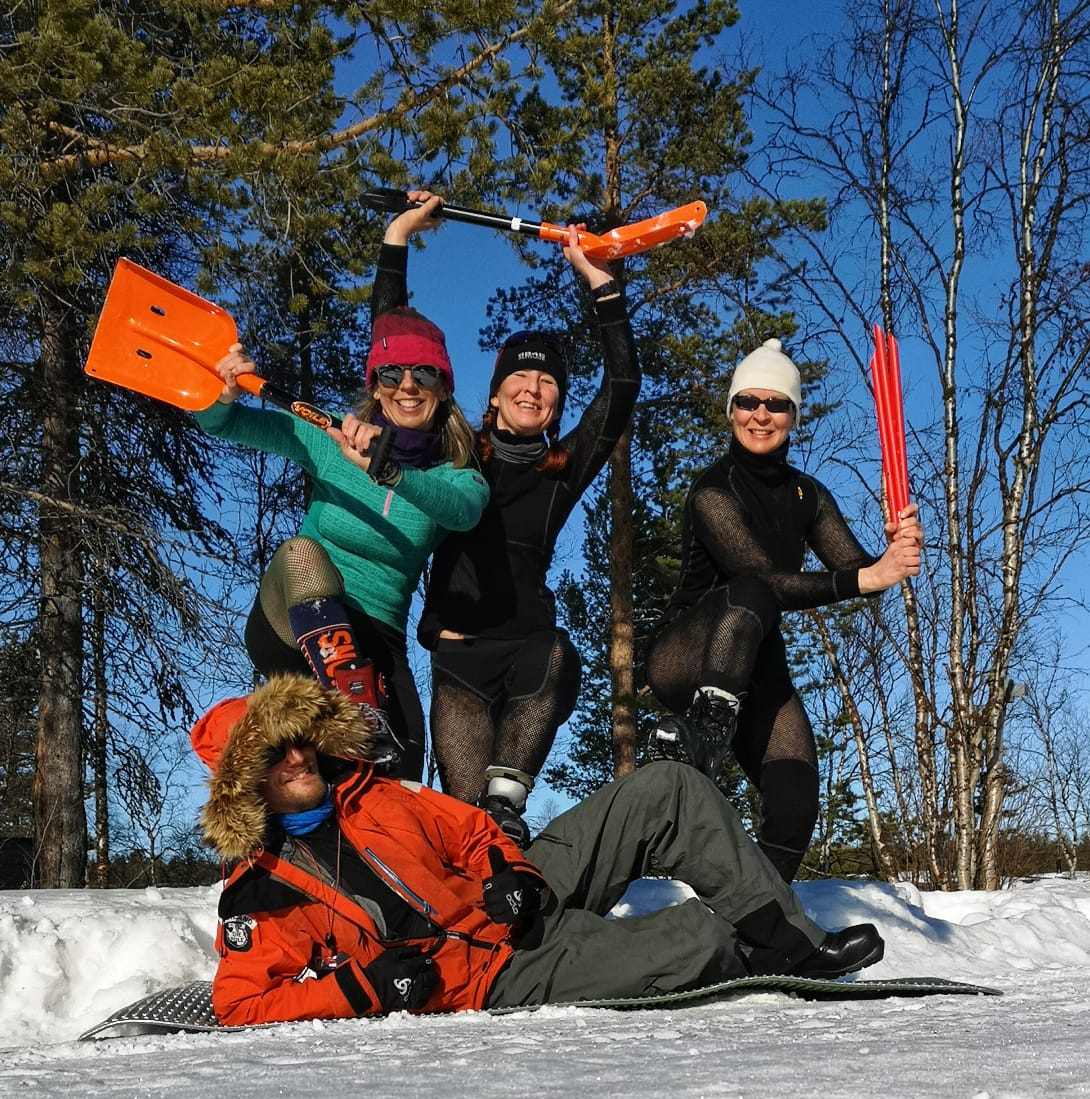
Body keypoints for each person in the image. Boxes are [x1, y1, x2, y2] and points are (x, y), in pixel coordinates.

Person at [191, 674, 886, 1026]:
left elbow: (470, 830)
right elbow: (241, 1004)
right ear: (246, 785)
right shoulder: (262, 887)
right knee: (697, 939)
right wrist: (362, 989)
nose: (293, 757)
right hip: (485, 976)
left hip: (517, 900)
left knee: (664, 787)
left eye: (294, 737)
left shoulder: (371, 789)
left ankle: (789, 945)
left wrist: (509, 870)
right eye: (268, 755)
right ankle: (734, 948)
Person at [368, 192, 641, 843]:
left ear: (555, 404)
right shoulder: (454, 452)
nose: (534, 387)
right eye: (521, 377)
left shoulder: (562, 470)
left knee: (501, 805)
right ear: (493, 395)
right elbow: (394, 346)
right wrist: (399, 234)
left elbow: (622, 386)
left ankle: (511, 802)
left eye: (548, 383)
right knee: (464, 824)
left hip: (530, 651)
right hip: (459, 655)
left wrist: (600, 282)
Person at [193, 204, 488, 779]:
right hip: (292, 623)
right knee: (303, 554)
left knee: (400, 781)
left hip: (375, 642)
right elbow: (222, 425)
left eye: (424, 376)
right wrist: (225, 391)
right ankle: (348, 704)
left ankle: (358, 705)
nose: (407, 386)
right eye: (391, 374)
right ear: (374, 388)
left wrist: (391, 470)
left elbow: (465, 510)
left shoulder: (456, 473)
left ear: (444, 390)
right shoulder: (328, 434)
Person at [645, 338, 924, 884]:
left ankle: (757, 920)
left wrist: (891, 552)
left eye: (776, 404)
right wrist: (869, 575)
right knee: (751, 591)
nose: (760, 415)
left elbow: (860, 573)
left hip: (756, 667)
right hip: (688, 656)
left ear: (794, 416)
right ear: (731, 410)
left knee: (795, 803)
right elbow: (768, 581)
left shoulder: (809, 495)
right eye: (748, 401)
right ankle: (701, 735)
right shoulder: (712, 490)